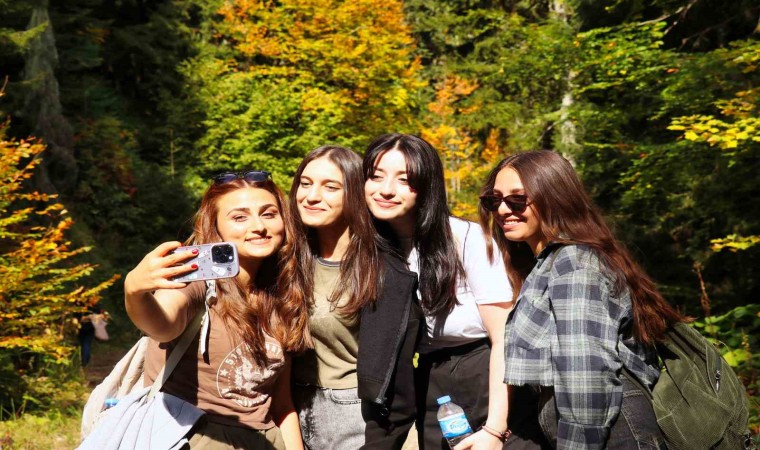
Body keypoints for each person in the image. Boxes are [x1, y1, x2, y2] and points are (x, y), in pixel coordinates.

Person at [478, 150, 686, 449]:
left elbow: (585, 374)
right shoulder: (549, 263)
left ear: (554, 197)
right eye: (494, 200)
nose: (502, 210)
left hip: (613, 433)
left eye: (517, 199)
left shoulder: (574, 263)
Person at [124, 170, 310, 449]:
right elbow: (161, 325)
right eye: (239, 217)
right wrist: (135, 291)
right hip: (194, 438)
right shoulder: (196, 285)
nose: (258, 226)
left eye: (269, 214)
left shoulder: (283, 295)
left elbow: (281, 404)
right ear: (216, 228)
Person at [363, 133, 513, 450]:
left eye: (405, 180)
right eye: (376, 176)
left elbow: (504, 337)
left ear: (427, 186)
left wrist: (495, 429)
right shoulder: (371, 247)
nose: (386, 190)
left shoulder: (466, 238)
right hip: (426, 372)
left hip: (479, 370)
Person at [288, 145, 422, 449]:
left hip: (353, 414)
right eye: (305, 183)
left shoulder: (382, 271)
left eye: (330, 187)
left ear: (355, 194)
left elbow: (399, 375)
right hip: (291, 409)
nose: (311, 196)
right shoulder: (289, 260)